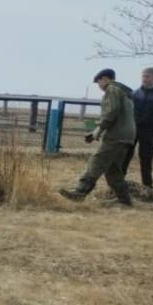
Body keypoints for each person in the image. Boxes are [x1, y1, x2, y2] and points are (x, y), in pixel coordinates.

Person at [59, 68, 136, 206]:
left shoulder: (111, 89)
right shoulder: (124, 93)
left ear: (104, 79)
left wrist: (99, 129)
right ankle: (124, 201)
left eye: (98, 82)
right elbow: (118, 115)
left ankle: (80, 192)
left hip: (116, 136)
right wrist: (97, 131)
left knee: (97, 161)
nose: (99, 86)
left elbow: (111, 111)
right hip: (127, 136)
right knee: (113, 170)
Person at [124, 66, 153, 198]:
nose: (144, 79)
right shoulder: (134, 94)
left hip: (149, 131)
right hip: (132, 130)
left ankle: (148, 188)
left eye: (147, 76)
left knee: (146, 159)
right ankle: (119, 184)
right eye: (143, 76)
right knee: (125, 157)